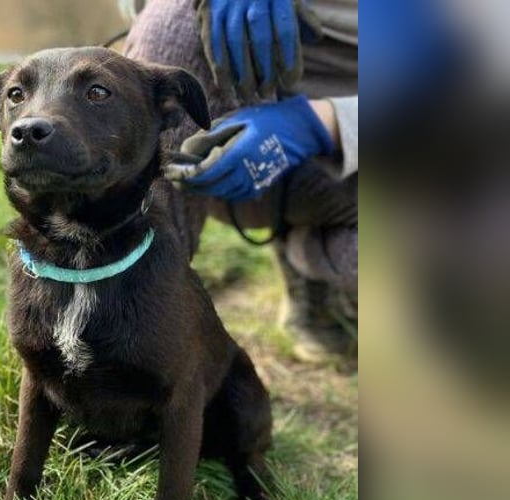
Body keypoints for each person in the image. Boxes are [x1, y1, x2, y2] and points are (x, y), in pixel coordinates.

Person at [121, 0, 358, 362]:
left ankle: (312, 256)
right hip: (228, 143)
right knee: (174, 22)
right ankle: (132, 329)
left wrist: (325, 123)